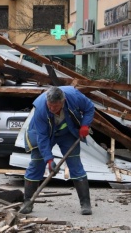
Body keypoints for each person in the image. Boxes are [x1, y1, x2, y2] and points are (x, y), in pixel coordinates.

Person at [22, 86, 95, 215]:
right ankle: (28, 202)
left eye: (55, 106)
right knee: (36, 164)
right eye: (50, 106)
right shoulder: (41, 108)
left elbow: (89, 108)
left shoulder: (74, 96)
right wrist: (49, 160)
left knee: (75, 164)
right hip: (43, 134)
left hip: (67, 132)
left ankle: (85, 204)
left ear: (63, 101)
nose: (52, 109)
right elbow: (42, 138)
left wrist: (85, 125)